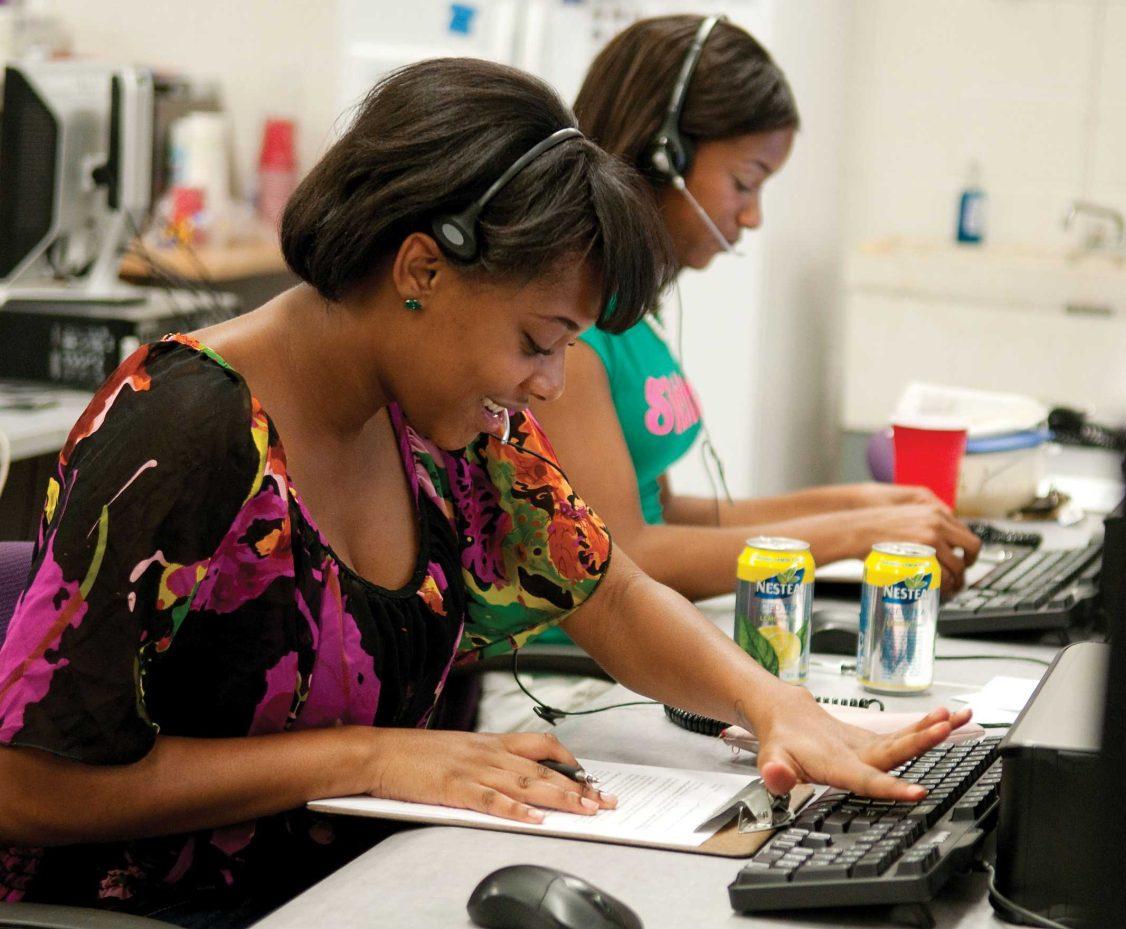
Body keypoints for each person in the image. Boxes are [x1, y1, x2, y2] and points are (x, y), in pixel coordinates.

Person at [0, 58, 968, 925]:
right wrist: (367, 753)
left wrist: (775, 707)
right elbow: (29, 784)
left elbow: (611, 590)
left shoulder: (455, 425)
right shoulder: (184, 428)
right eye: (537, 341)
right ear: (422, 267)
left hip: (360, 881)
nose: (548, 382)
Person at [532, 15, 982, 603]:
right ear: (665, 154)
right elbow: (625, 555)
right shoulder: (576, 327)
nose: (752, 217)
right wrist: (856, 532)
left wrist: (859, 504)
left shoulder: (631, 308)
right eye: (746, 182)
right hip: (567, 676)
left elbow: (662, 512)